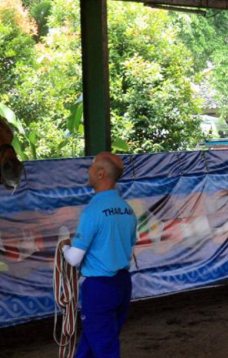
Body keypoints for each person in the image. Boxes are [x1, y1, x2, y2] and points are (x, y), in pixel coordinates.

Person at [58, 151, 137, 358]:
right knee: (94, 341)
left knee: (104, 347)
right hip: (122, 284)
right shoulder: (127, 210)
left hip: (99, 288)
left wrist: (64, 248)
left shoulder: (93, 212)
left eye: (92, 167)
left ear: (101, 174)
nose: (88, 171)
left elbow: (74, 259)